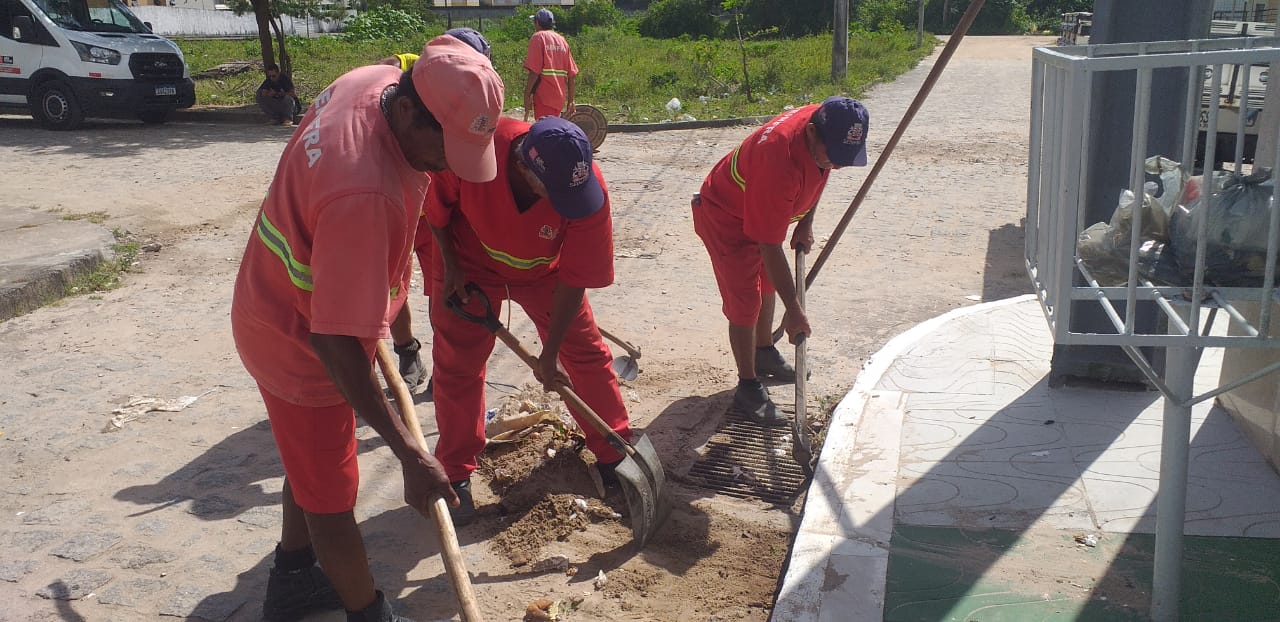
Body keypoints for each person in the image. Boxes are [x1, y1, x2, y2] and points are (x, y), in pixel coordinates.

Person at [230, 35, 503, 622]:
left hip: (288, 296)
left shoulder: (372, 82)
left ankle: (293, 577)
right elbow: (333, 342)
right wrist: (409, 451)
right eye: (445, 146)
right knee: (331, 496)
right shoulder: (365, 193)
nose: (449, 164)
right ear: (408, 110)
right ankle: (367, 612)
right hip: (299, 339)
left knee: (310, 462)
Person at [426, 116, 633, 525]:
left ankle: (615, 452)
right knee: (458, 367)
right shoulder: (476, 150)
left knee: (586, 354)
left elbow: (576, 278)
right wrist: (451, 267)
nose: (568, 205)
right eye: (553, 194)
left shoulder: (584, 187)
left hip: (547, 274)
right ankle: (455, 473)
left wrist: (550, 353)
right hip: (469, 264)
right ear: (523, 168)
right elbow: (436, 207)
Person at [692, 96, 869, 425]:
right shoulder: (777, 157)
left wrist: (806, 221)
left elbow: (821, 172)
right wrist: (795, 312)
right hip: (725, 217)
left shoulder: (823, 126)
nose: (839, 165)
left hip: (763, 210)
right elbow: (769, 246)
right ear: (812, 133)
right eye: (835, 156)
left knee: (769, 282)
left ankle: (763, 352)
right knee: (746, 301)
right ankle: (747, 385)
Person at [374, 27, 493, 395]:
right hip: (402, 208)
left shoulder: (474, 93)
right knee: (390, 289)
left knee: (443, 295)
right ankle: (406, 350)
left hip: (437, 213)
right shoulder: (409, 77)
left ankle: (445, 370)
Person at [522, 8, 578, 122]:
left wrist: (527, 95)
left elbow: (534, 71)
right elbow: (571, 74)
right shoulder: (562, 40)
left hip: (543, 97)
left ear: (537, 23)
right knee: (552, 128)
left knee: (546, 132)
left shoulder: (538, 37)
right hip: (559, 99)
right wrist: (571, 101)